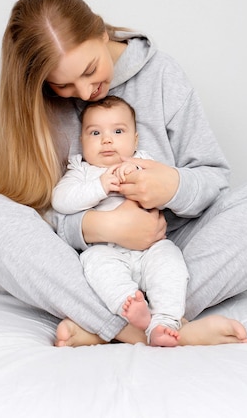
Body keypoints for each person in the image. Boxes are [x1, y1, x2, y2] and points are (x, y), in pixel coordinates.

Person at [0, 0, 247, 348]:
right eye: (63, 85)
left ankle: (113, 322)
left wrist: (173, 187)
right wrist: (95, 225)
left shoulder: (162, 75)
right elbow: (35, 209)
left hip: (169, 245)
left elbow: (212, 177)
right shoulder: (40, 105)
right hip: (89, 263)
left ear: (101, 32)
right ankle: (150, 327)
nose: (84, 90)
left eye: (90, 70)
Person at [52, 95, 189, 347]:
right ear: (82, 142)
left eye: (118, 131)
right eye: (95, 133)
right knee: (94, 265)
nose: (106, 139)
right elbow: (61, 201)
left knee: (170, 262)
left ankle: (165, 322)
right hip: (106, 250)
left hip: (150, 249)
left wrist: (138, 176)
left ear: (135, 139)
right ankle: (129, 305)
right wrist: (100, 187)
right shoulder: (82, 171)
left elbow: (164, 195)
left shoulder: (144, 162)